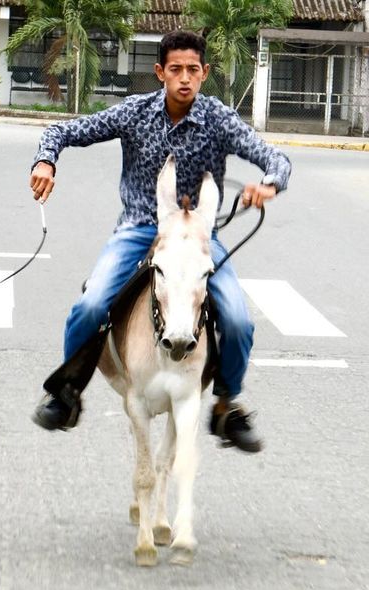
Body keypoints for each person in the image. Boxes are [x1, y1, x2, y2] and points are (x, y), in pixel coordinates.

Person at [28, 30, 292, 454]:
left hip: (198, 237)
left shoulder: (219, 119)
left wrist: (270, 183)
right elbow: (63, 131)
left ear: (204, 72)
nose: (185, 78)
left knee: (238, 320)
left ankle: (226, 404)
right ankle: (67, 391)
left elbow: (275, 158)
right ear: (160, 72)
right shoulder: (134, 112)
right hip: (140, 230)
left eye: (193, 70)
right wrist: (46, 161)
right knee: (92, 304)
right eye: (176, 69)